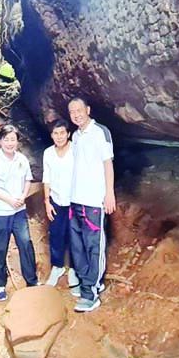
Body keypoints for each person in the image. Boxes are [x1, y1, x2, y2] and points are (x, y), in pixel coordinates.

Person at [67, 97, 115, 313]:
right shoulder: (76, 136)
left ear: (87, 109)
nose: (76, 114)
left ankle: (91, 293)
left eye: (79, 110)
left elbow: (107, 164)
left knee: (94, 246)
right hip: (75, 200)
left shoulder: (100, 132)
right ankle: (90, 281)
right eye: (72, 112)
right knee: (78, 246)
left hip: (94, 201)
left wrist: (109, 194)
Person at [0, 123, 37, 301]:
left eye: (13, 139)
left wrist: (23, 195)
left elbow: (28, 180)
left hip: (18, 211)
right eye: (6, 139)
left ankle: (32, 281)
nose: (10, 143)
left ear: (17, 141)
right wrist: (9, 199)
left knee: (25, 243)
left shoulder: (21, 159)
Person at [42, 118, 79, 289]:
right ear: (51, 135)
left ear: (68, 134)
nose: (59, 137)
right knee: (56, 234)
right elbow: (46, 178)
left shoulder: (76, 150)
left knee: (73, 235)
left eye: (62, 133)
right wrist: (47, 201)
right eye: (55, 133)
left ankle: (73, 268)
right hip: (56, 200)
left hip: (74, 200)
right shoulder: (48, 153)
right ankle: (57, 267)